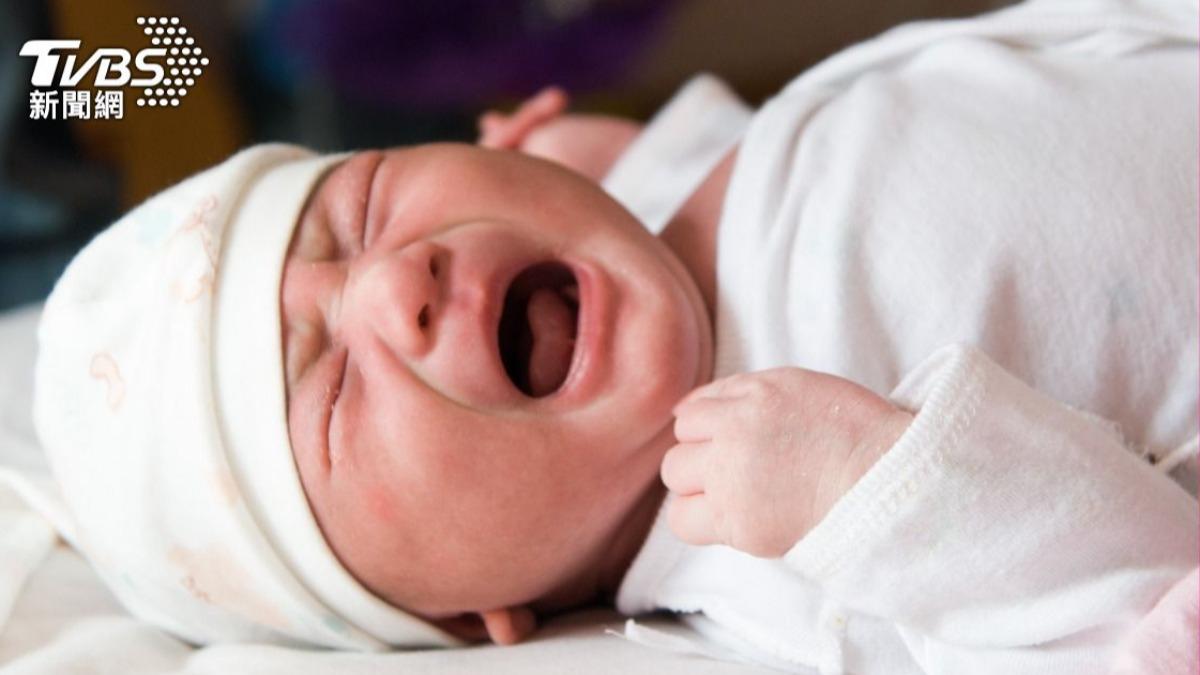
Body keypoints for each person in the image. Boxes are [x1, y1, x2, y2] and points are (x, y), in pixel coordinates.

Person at [31, 0, 1198, 672]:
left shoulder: (643, 202)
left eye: (369, 209)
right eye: (331, 396)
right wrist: (894, 494)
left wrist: (625, 165)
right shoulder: (787, 571)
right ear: (462, 615)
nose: (400, 285)